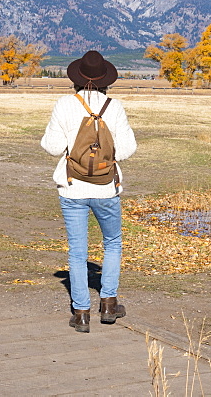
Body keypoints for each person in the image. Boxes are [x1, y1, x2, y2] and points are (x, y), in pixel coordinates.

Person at [41, 50, 137, 333]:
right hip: (107, 188)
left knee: (77, 251)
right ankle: (108, 303)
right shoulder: (114, 107)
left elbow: (53, 147)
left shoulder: (64, 105)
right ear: (105, 78)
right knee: (113, 243)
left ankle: (81, 312)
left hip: (72, 189)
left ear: (77, 78)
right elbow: (129, 149)